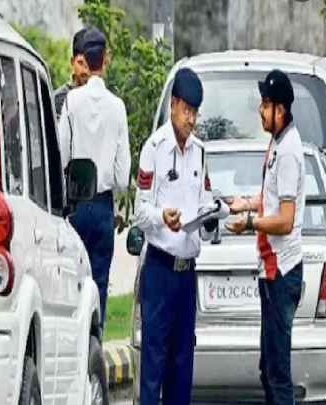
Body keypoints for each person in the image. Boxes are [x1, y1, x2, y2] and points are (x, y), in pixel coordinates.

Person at [134, 67, 229, 405]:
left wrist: (211, 216)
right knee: (153, 366)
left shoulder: (199, 152)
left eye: (195, 113)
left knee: (182, 365)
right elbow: (139, 211)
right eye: (187, 111)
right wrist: (162, 217)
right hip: (160, 269)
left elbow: (203, 202)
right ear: (173, 105)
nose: (191, 120)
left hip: (187, 273)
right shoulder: (154, 148)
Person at [226, 69, 306, 405]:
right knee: (269, 369)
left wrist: (249, 223)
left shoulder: (288, 152)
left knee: (277, 373)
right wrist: (245, 202)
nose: (260, 110)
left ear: (280, 110)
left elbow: (285, 220)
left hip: (281, 273)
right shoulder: (278, 143)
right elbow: (273, 198)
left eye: (266, 104)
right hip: (272, 271)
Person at [58, 28, 131, 332]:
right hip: (102, 207)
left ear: (84, 62)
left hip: (75, 205)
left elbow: (61, 156)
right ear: (106, 59)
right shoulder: (117, 107)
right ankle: (95, 345)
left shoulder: (71, 102)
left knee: (72, 285)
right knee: (99, 284)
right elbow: (123, 176)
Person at [54, 28, 89, 119]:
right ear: (72, 62)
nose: (85, 70)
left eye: (89, 64)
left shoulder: (101, 100)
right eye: (80, 63)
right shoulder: (59, 99)